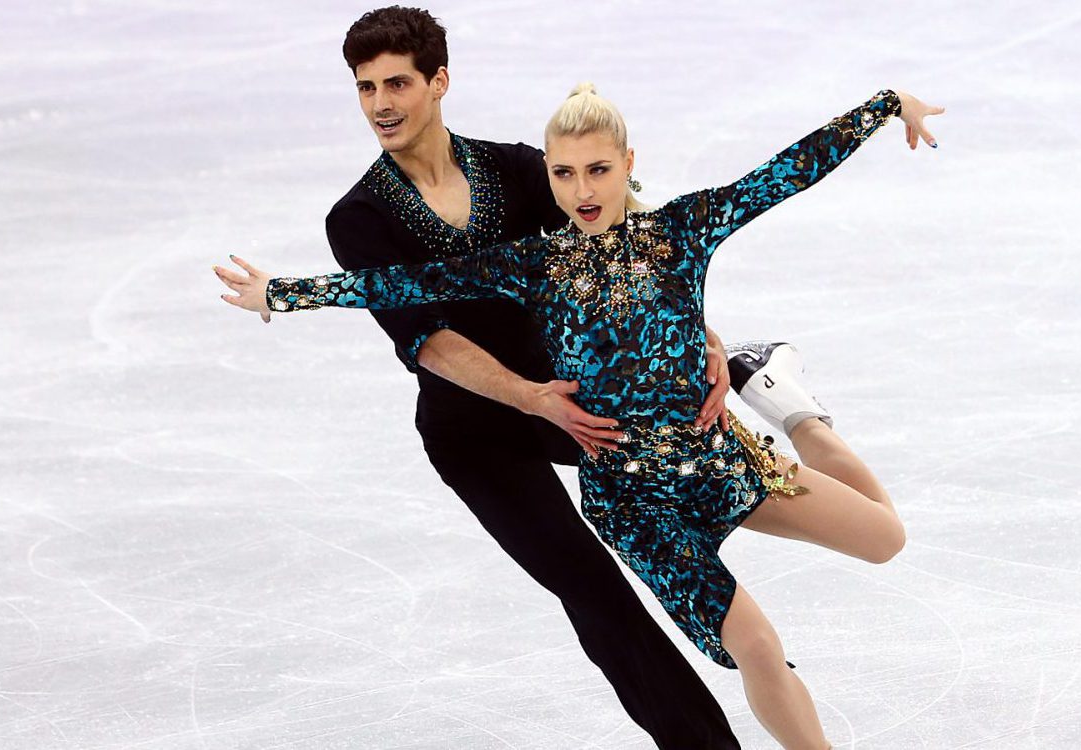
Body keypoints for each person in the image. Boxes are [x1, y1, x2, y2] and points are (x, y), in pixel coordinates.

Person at [215, 76, 942, 747]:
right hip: (631, 502)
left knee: (885, 540)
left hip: (714, 459)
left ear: (628, 164)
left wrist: (884, 107)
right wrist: (282, 293)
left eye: (597, 170)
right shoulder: (535, 266)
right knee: (755, 646)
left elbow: (784, 173)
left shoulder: (682, 230)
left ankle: (795, 409)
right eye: (563, 174)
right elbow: (403, 283)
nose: (582, 190)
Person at [244, 7, 760, 747]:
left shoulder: (515, 168)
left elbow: (625, 243)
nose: (381, 104)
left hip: (572, 394)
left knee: (708, 476)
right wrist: (530, 398)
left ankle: (788, 462)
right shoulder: (357, 218)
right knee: (590, 586)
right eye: (365, 88)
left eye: (397, 83)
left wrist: (700, 336)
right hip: (476, 432)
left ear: (439, 82)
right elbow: (428, 342)